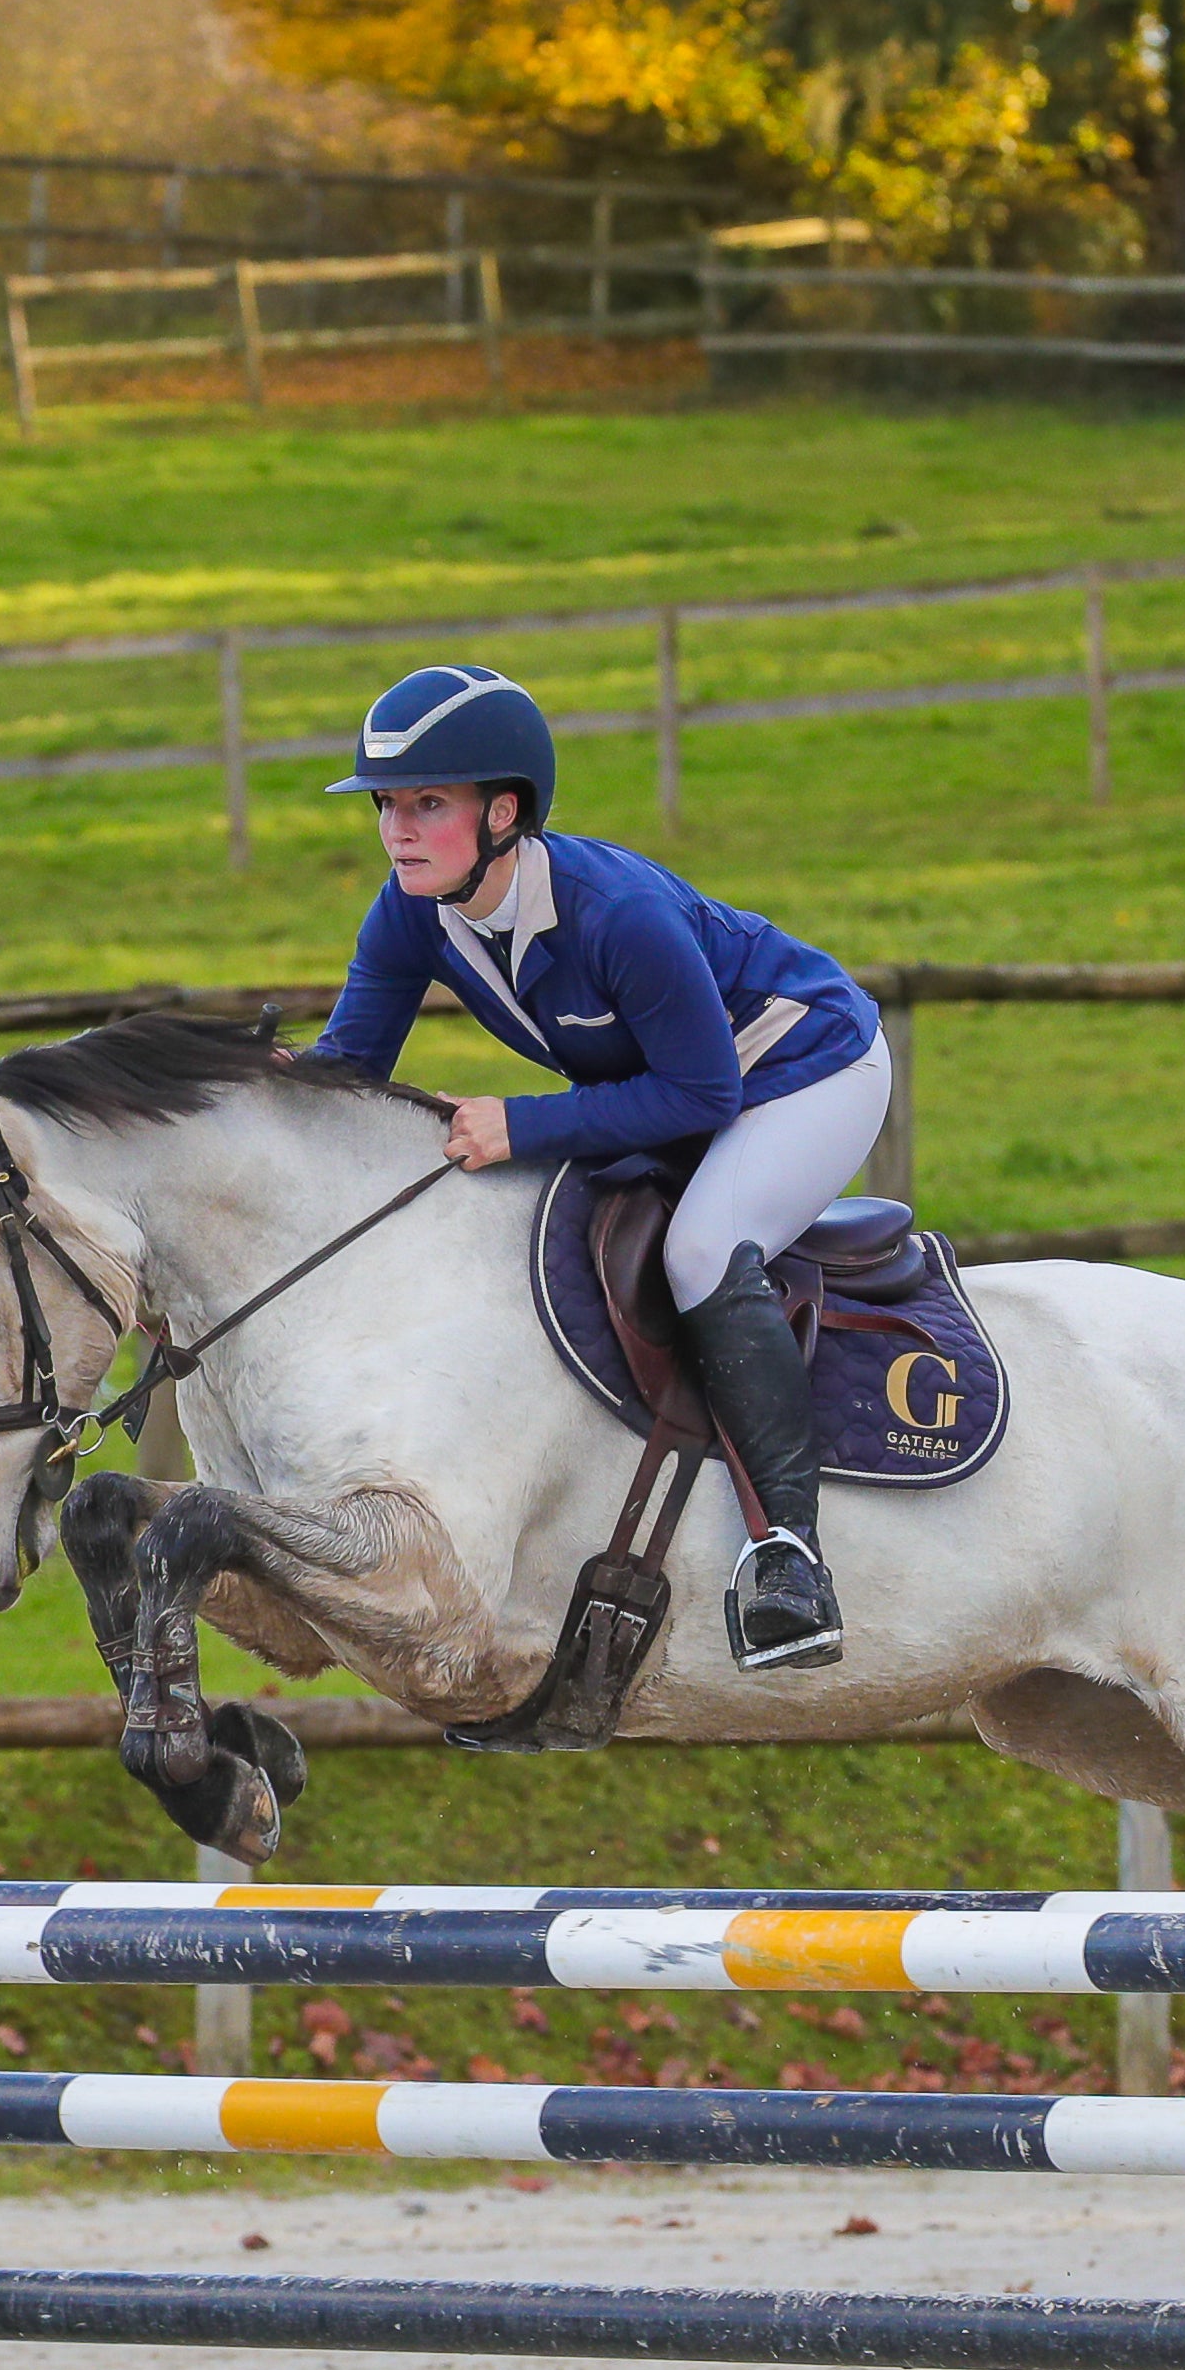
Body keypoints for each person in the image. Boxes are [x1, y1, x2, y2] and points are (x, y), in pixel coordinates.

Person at [308, 662, 889, 1672]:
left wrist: (520, 1124)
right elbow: (343, 1076)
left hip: (804, 1072)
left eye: (427, 805)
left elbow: (704, 1097)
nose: (398, 829)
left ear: (503, 812)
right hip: (685, 1086)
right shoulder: (411, 911)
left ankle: (791, 1559)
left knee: (704, 1248)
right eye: (387, 806)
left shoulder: (615, 913)